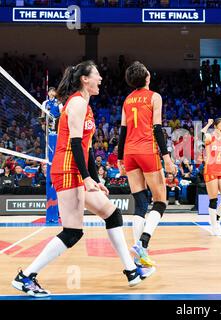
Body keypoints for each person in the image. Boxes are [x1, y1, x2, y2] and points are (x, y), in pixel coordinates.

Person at [12, 61, 152, 298]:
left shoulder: (84, 104)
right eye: (96, 75)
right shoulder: (76, 103)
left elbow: (86, 149)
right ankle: (26, 277)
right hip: (67, 170)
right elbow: (76, 144)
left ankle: (131, 271)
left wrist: (95, 179)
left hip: (77, 169)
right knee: (73, 232)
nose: (101, 79)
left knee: (112, 213)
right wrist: (86, 178)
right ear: (85, 79)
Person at [117, 61, 177, 269]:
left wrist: (119, 158)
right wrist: (167, 156)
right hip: (147, 150)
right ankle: (143, 243)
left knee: (140, 202)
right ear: (147, 77)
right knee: (160, 201)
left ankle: (138, 255)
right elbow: (157, 127)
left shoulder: (127, 100)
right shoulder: (154, 97)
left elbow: (122, 131)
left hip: (129, 152)